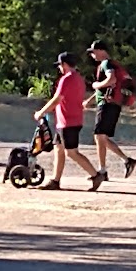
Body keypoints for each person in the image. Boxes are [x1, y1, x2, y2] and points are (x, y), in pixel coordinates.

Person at [34, 52, 105, 192]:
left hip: (69, 122)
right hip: (66, 121)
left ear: (64, 65)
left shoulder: (66, 79)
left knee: (71, 152)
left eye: (60, 65)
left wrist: (41, 112)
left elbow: (57, 99)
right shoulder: (78, 78)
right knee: (59, 149)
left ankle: (96, 175)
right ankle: (55, 180)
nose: (59, 68)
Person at [83, 40, 136, 181]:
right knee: (102, 137)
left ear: (101, 51)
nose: (92, 55)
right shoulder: (110, 64)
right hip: (112, 103)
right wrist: (89, 101)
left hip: (107, 104)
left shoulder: (106, 64)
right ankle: (126, 160)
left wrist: (95, 85)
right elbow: (106, 87)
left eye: (94, 52)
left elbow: (111, 80)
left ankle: (102, 171)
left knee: (99, 135)